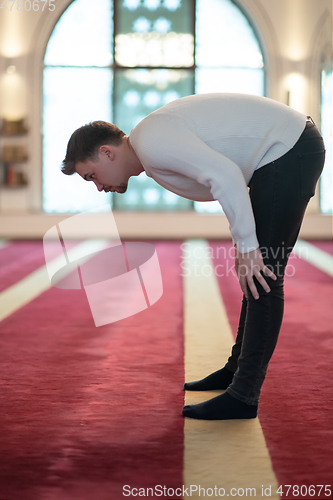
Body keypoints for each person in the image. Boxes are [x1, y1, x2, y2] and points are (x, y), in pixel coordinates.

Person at [61, 93, 326, 421]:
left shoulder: (152, 144)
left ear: (106, 152)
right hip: (281, 153)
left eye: (91, 176)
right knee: (254, 271)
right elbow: (226, 182)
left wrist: (246, 247)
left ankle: (244, 395)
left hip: (289, 150)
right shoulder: (150, 147)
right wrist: (244, 245)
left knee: (264, 274)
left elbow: (226, 176)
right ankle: (234, 372)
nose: (98, 187)